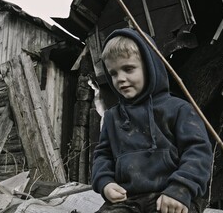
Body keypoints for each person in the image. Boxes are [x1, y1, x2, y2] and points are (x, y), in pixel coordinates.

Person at [91, 28, 213, 213]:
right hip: (128, 199)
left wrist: (181, 188)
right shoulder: (112, 117)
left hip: (172, 196)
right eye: (113, 73)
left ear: (150, 66)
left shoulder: (179, 109)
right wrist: (105, 183)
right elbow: (103, 156)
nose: (120, 79)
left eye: (128, 69)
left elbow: (198, 152)